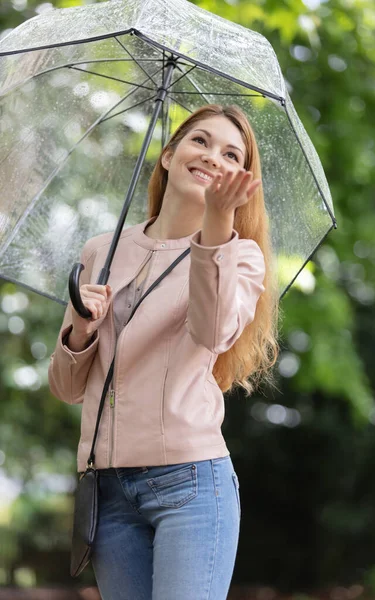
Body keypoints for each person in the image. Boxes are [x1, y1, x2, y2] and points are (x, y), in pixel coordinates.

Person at [48, 104, 280, 600]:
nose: (212, 156)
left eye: (230, 154)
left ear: (241, 180)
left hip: (191, 486)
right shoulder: (102, 251)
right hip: (108, 492)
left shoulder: (240, 256)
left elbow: (213, 331)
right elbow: (67, 388)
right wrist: (82, 329)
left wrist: (217, 224)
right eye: (200, 141)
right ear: (169, 156)